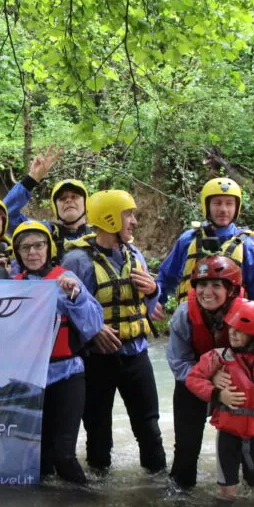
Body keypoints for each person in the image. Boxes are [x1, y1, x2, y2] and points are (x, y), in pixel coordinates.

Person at [60, 190, 166, 475]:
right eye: (128, 215)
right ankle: (98, 496)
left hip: (136, 355)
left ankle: (157, 487)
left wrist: (154, 290)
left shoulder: (135, 254)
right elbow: (66, 309)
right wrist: (93, 330)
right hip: (97, 359)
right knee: (98, 433)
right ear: (108, 219)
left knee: (149, 428)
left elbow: (151, 303)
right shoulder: (77, 261)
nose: (133, 221)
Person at [12, 222, 105, 484]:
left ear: (48, 248)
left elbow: (93, 326)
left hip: (67, 375)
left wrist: (76, 297)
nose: (33, 252)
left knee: (64, 455)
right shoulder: (11, 287)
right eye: (26, 247)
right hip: (29, 379)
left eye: (39, 245)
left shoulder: (67, 281)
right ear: (18, 252)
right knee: (39, 460)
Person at [186, 299, 254, 504]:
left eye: (240, 330)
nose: (232, 333)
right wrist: (217, 394)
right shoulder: (218, 357)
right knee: (227, 493)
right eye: (233, 328)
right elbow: (193, 379)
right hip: (228, 435)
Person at [166, 255, 244, 491]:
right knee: (186, 450)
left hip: (235, 383)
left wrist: (229, 379)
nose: (206, 292)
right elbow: (179, 364)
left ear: (231, 290)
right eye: (201, 284)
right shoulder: (184, 314)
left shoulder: (247, 312)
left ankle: (253, 490)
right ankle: (180, 493)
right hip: (193, 382)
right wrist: (210, 379)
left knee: (246, 443)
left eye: (216, 285)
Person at [156, 177, 254, 314]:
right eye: (217, 203)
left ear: (236, 207)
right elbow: (166, 278)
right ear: (207, 206)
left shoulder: (249, 245)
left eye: (229, 203)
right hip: (189, 324)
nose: (223, 209)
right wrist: (155, 300)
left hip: (233, 330)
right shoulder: (188, 240)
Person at [3, 147, 93, 258]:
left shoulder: (99, 235)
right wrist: (32, 178)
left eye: (75, 197)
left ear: (85, 203)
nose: (69, 200)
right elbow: (4, 214)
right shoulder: (45, 232)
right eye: (62, 198)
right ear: (55, 207)